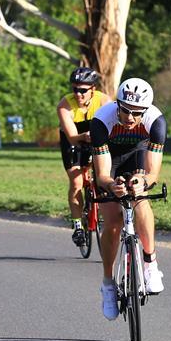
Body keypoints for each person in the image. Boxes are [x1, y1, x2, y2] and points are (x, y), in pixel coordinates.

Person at [89, 77, 167, 320]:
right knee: (113, 221)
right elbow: (102, 174)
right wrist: (114, 185)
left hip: (138, 155)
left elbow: (153, 173)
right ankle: (108, 284)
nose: (131, 118)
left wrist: (142, 181)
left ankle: (150, 263)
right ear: (117, 104)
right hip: (111, 160)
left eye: (137, 113)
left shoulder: (155, 121)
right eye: (126, 111)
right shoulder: (102, 121)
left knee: (141, 197)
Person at [57, 67, 111, 247]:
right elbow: (72, 137)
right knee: (77, 182)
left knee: (104, 178)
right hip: (73, 141)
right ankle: (78, 225)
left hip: (97, 138)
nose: (78, 94)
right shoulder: (65, 105)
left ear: (93, 89)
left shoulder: (104, 101)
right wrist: (84, 137)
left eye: (83, 90)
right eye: (75, 89)